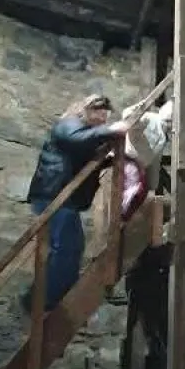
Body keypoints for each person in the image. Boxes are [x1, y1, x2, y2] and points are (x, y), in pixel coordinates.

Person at [22, 94, 130, 314]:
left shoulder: (85, 133)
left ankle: (50, 298)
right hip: (56, 196)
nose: (103, 117)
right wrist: (111, 131)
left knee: (70, 248)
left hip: (62, 198)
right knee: (66, 249)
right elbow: (74, 139)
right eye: (98, 111)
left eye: (105, 113)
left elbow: (83, 155)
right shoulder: (69, 124)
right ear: (85, 110)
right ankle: (43, 300)